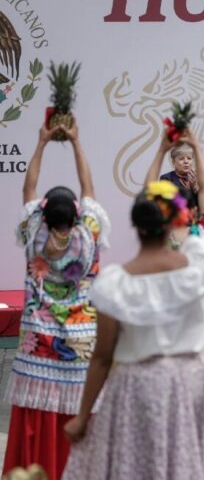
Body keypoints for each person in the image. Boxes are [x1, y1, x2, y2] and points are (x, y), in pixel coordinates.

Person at [61, 106, 204, 479]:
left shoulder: (113, 283)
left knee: (138, 466)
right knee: (189, 464)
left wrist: (84, 415)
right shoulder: (201, 255)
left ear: (135, 225)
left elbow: (102, 358)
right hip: (193, 380)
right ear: (175, 218)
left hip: (135, 384)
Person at [3, 119, 110, 480]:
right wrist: (77, 142)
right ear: (77, 214)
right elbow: (90, 188)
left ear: (43, 215)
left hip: (39, 346)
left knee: (39, 416)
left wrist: (42, 142)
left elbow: (27, 187)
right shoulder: (89, 234)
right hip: (81, 344)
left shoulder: (34, 233)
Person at [144, 127, 204, 417]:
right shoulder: (201, 234)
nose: (187, 164)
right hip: (199, 317)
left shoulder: (162, 238)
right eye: (182, 160)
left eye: (191, 159)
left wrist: (197, 188)